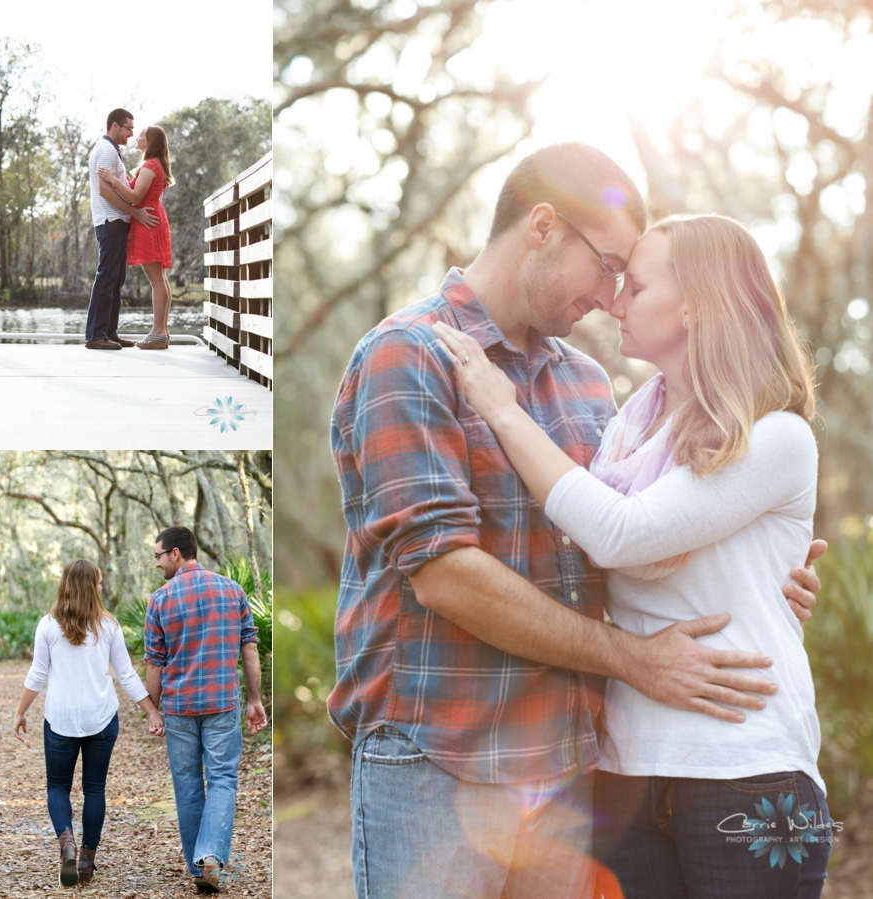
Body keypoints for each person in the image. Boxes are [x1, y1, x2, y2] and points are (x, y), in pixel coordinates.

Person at [329, 143, 824, 899]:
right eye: (607, 264)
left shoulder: (592, 388)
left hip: (567, 775)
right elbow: (445, 576)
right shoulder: (411, 353)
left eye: (630, 277)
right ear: (543, 227)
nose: (612, 294)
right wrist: (633, 657)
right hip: (438, 759)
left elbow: (626, 537)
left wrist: (764, 578)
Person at [12, 559, 164, 888]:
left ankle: (66, 842)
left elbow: (37, 674)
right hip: (101, 719)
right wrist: (151, 710)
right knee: (95, 789)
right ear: (88, 586)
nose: (100, 587)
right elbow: (125, 674)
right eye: (98, 582)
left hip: (60, 720)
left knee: (57, 787)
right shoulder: (108, 625)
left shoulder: (48, 625)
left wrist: (19, 712)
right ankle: (86, 860)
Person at [144, 526, 267, 894]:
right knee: (223, 779)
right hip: (222, 702)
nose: (157, 563)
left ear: (177, 554)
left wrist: (152, 709)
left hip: (180, 707)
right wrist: (255, 699)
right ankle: (210, 858)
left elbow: (155, 665)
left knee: (186, 783)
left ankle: (199, 866)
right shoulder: (233, 590)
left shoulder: (160, 600)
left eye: (159, 556)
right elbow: (250, 649)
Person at [85, 108, 160, 350]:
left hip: (115, 222)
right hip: (111, 221)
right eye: (128, 128)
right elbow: (104, 191)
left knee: (116, 280)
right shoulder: (106, 150)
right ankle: (96, 334)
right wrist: (134, 212)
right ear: (115, 126)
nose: (131, 133)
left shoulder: (110, 150)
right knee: (107, 277)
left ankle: (109, 332)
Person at [98, 125, 174, 350]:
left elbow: (134, 196)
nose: (137, 137)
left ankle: (158, 333)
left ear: (150, 141)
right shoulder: (153, 165)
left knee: (157, 280)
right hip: (150, 219)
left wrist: (112, 179)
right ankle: (162, 332)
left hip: (147, 222)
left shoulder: (151, 165)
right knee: (160, 279)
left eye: (141, 135)